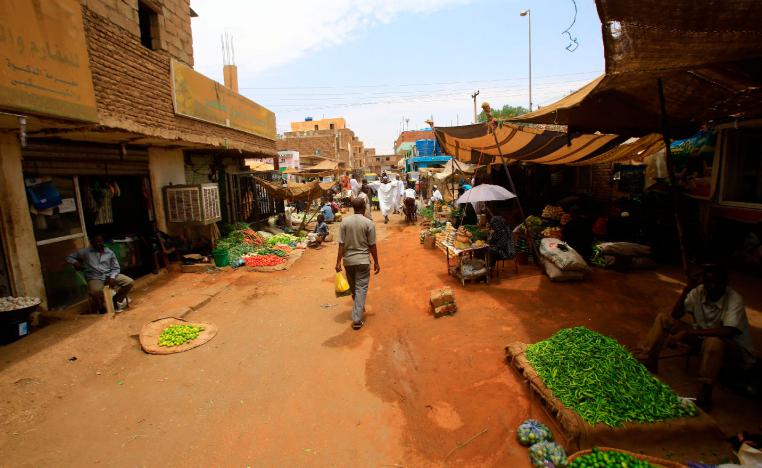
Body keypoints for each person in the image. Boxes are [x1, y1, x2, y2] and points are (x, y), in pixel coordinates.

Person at [637, 265, 756, 410]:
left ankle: (705, 394)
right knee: (664, 319)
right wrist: (687, 290)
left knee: (713, 342)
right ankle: (651, 358)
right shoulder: (699, 292)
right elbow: (676, 315)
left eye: (718, 283)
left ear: (726, 283)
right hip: (702, 337)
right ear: (703, 282)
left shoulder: (734, 299)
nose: (713, 287)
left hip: (733, 351)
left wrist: (688, 333)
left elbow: (728, 331)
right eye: (709, 282)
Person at [336, 197, 380, 330]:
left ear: (352, 207)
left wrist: (338, 261)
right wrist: (376, 262)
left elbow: (341, 244)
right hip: (363, 261)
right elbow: (372, 245)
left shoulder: (344, 222)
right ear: (364, 207)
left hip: (348, 261)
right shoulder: (368, 223)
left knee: (355, 287)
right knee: (360, 288)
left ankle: (358, 309)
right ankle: (356, 319)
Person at [66, 235, 134, 313]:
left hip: (109, 275)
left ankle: (116, 300)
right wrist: (75, 262)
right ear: (92, 243)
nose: (99, 244)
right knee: (95, 292)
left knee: (129, 282)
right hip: (95, 277)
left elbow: (116, 267)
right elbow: (69, 257)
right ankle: (102, 306)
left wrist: (112, 277)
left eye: (101, 241)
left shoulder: (109, 252)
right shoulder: (85, 252)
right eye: (97, 242)